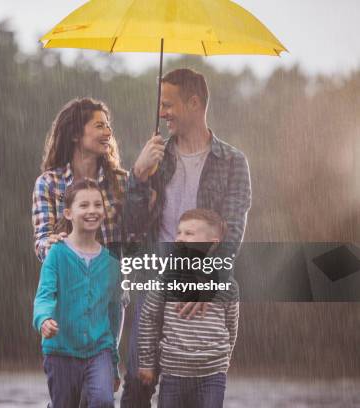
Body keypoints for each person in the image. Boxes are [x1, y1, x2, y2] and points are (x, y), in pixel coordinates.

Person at [121, 68, 251, 407]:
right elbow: (131, 224)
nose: (162, 113)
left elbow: (232, 230)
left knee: (197, 392)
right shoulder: (155, 157)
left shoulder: (233, 162)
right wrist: (137, 176)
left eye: (168, 105)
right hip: (154, 281)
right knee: (137, 385)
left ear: (194, 103)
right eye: (161, 105)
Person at [33, 178, 122, 408]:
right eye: (84, 205)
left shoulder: (112, 265)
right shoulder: (56, 254)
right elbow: (44, 295)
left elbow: (113, 316)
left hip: (98, 351)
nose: (92, 211)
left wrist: (113, 363)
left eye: (97, 204)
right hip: (60, 350)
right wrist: (44, 319)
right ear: (68, 213)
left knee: (103, 401)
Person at [137, 209, 239, 408]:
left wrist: (225, 358)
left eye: (189, 233)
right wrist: (146, 362)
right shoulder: (166, 278)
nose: (180, 238)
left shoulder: (227, 284)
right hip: (174, 372)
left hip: (212, 373)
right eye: (179, 232)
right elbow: (148, 317)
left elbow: (231, 325)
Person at [32, 97, 129, 262]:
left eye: (108, 126)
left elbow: (135, 236)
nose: (108, 132)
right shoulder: (48, 183)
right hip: (70, 283)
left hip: (114, 284)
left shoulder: (122, 181)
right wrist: (53, 246)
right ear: (75, 134)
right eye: (100, 126)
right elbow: (42, 241)